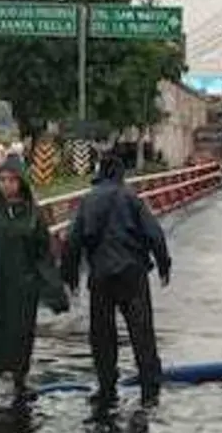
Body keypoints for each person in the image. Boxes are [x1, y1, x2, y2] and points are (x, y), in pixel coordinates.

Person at [61, 150, 171, 407]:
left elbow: (72, 240)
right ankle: (149, 383)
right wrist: (164, 264)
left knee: (102, 333)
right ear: (121, 174)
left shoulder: (88, 201)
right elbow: (154, 233)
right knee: (141, 330)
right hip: (132, 273)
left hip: (100, 275)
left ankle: (106, 384)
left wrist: (70, 276)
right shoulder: (131, 198)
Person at [0, 154, 69, 400]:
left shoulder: (32, 213)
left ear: (20, 182)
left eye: (12, 180)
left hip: (23, 286)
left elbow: (42, 253)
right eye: (2, 180)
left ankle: (19, 378)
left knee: (21, 333)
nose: (7, 185)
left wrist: (52, 288)